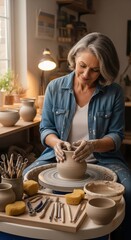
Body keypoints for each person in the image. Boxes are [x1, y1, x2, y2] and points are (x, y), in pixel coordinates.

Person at [24, 32, 131, 240]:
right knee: (21, 183)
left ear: (104, 70)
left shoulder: (114, 92)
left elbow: (116, 136)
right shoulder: (55, 87)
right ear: (74, 58)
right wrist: (56, 143)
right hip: (58, 158)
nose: (85, 74)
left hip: (105, 161)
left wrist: (93, 145)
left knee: (130, 193)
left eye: (95, 70)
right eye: (82, 65)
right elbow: (45, 129)